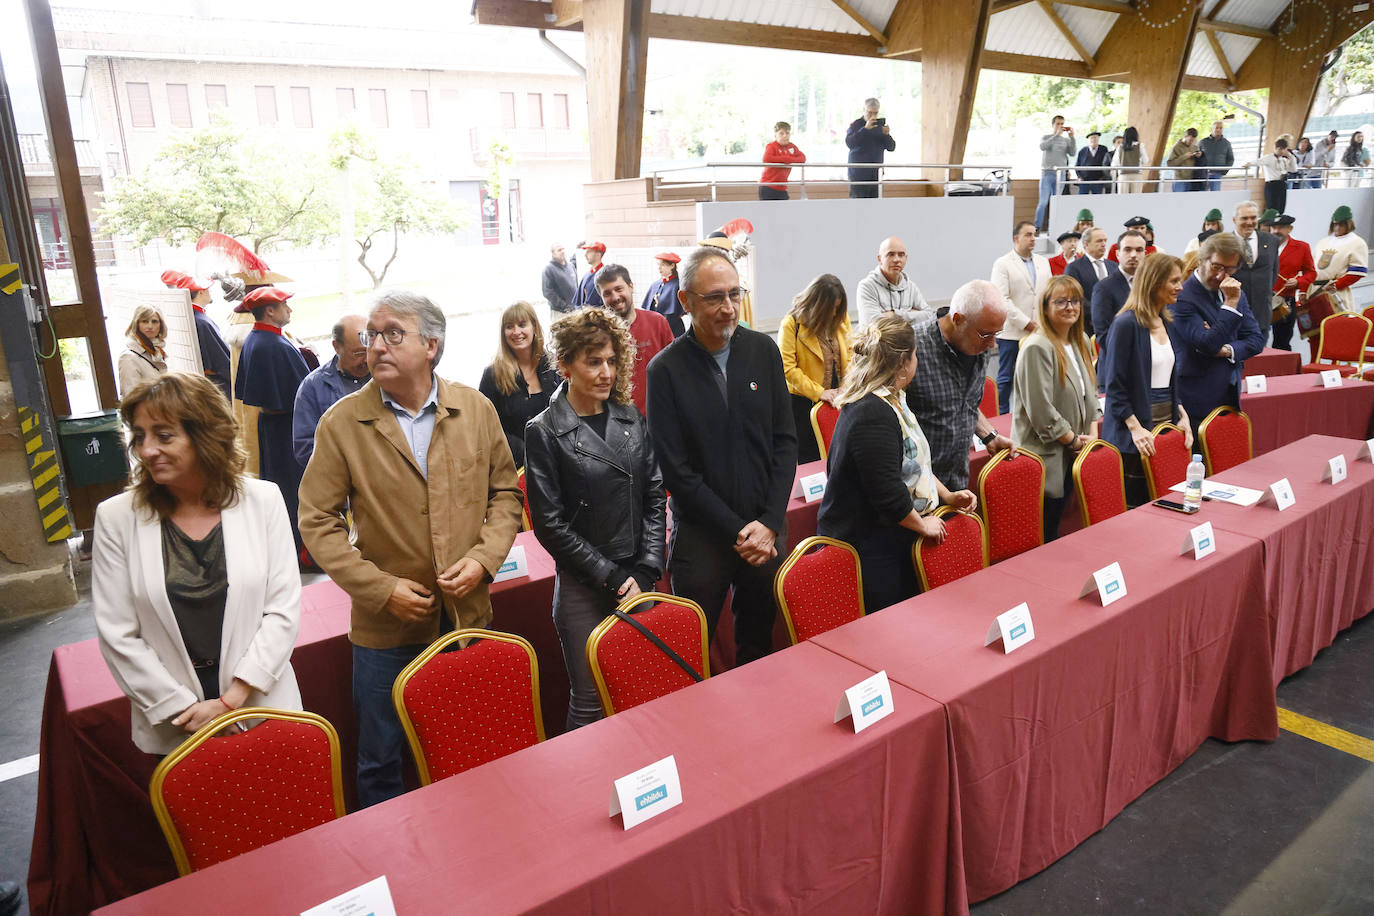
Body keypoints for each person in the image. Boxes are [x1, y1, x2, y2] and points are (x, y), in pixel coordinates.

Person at [299, 290, 522, 807]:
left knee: (469, 741)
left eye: (392, 334)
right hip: (386, 628)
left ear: (431, 345)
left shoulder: (474, 408)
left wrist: (485, 558)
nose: (375, 345)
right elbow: (317, 519)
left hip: (466, 613)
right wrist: (379, 589)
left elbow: (506, 493)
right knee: (381, 758)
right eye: (371, 335)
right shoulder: (342, 423)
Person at [92, 371, 301, 756]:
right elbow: (118, 633)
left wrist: (230, 701)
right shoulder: (117, 518)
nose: (147, 449)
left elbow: (283, 610)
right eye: (139, 436)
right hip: (176, 726)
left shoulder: (263, 500)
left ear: (205, 435)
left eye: (164, 434)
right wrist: (186, 712)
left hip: (263, 707)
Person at [647, 247, 796, 666]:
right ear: (686, 300)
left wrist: (768, 523)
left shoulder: (762, 352)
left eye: (734, 293)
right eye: (715, 297)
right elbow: (676, 471)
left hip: (765, 526)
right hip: (703, 536)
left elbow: (785, 442)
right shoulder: (665, 371)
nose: (728, 308)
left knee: (758, 646)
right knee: (689, 653)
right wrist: (738, 530)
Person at [524, 309, 666, 731]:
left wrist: (645, 568)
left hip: (638, 576)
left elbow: (655, 495)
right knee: (589, 702)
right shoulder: (544, 430)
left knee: (642, 690)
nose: (606, 372)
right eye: (593, 361)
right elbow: (549, 525)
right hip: (584, 586)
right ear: (565, 366)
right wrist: (612, 575)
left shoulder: (629, 416)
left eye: (611, 360)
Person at [818, 314, 977, 610]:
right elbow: (887, 492)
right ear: (904, 362)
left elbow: (916, 464)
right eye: (916, 354)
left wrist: (947, 496)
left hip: (888, 536)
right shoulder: (872, 412)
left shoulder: (894, 398)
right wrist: (922, 524)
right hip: (868, 546)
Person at [1011, 276, 1101, 541]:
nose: (1070, 307)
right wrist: (1074, 440)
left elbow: (1091, 394)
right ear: (1045, 307)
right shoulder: (1037, 346)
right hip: (1048, 457)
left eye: (1075, 301)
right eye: (1061, 301)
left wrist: (1093, 433)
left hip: (1076, 451)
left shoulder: (1081, 340)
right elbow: (1041, 411)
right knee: (1048, 533)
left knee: (1071, 530)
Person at [1102, 253, 1193, 507]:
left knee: (1165, 501)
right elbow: (1115, 386)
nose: (1180, 287)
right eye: (1174, 281)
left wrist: (1181, 414)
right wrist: (1135, 428)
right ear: (1154, 282)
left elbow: (1166, 378)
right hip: (1134, 432)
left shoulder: (1167, 322)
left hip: (1165, 424)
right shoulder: (1126, 324)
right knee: (1138, 507)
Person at [907, 280, 1012, 491]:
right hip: (916, 492)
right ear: (957, 319)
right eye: (986, 334)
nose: (992, 344)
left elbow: (965, 403)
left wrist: (989, 435)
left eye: (996, 334)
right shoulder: (911, 350)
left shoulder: (977, 346)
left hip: (957, 482)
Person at [234, 286, 310, 562]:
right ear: (270, 310)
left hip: (274, 428)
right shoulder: (271, 345)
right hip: (285, 430)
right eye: (284, 305)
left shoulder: (259, 339)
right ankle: (301, 552)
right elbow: (299, 394)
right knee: (293, 491)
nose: (289, 309)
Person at [1172, 232, 1265, 441]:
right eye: (1216, 267)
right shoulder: (1183, 296)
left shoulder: (1235, 292)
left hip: (1229, 394)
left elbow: (1256, 340)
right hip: (1194, 399)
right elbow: (1207, 343)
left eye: (1230, 269)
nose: (1222, 276)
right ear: (1201, 260)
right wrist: (1230, 305)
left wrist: (1226, 350)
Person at [476, 301, 560, 469]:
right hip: (515, 467)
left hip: (558, 460)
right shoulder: (492, 374)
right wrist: (525, 451)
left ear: (534, 327)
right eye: (509, 327)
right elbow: (484, 425)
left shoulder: (555, 365)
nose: (516, 332)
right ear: (503, 333)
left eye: (522, 325)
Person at [779, 273, 851, 464]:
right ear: (817, 305)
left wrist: (847, 386)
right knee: (810, 461)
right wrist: (819, 392)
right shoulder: (792, 323)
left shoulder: (842, 320)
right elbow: (787, 368)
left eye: (838, 308)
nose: (835, 314)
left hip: (839, 399)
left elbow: (851, 356)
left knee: (839, 456)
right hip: (803, 403)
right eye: (830, 309)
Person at [595, 263, 674, 416]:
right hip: (618, 420)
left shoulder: (657, 323)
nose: (615, 297)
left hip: (659, 414)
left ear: (631, 286)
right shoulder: (597, 335)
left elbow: (675, 369)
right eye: (607, 293)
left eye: (619, 289)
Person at [293, 315, 370, 469]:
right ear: (336, 346)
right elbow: (304, 448)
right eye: (358, 354)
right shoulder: (313, 386)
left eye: (370, 350)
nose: (367, 359)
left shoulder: (386, 376)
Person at [990, 220, 1049, 414]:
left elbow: (1047, 294)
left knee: (1035, 377)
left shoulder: (1043, 262)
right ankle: (1003, 414)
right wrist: (1026, 323)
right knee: (1006, 377)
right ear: (1016, 238)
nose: (1033, 239)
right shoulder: (1003, 263)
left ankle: (1033, 413)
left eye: (1034, 234)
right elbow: (1001, 298)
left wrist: (1041, 323)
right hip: (1012, 332)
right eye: (1028, 235)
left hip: (1039, 331)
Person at [1092, 230, 1148, 377]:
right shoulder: (1104, 288)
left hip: (1148, 369)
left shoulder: (1152, 287)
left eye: (1139, 250)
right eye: (1128, 249)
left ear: (1145, 254)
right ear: (1117, 254)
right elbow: (1104, 336)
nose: (1134, 255)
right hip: (1117, 370)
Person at [173, 275, 233, 404]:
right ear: (201, 292)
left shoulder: (187, 317)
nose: (210, 293)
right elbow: (221, 360)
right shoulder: (202, 321)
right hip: (215, 384)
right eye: (208, 289)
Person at [856, 236, 933, 329]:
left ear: (906, 258)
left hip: (906, 343)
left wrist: (893, 315)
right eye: (891, 254)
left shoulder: (910, 287)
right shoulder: (867, 286)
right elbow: (873, 324)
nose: (897, 260)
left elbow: (929, 315)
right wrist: (911, 314)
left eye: (901, 255)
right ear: (880, 259)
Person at [1231, 200, 1281, 339]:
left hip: (1261, 315)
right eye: (1244, 218)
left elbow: (1273, 272)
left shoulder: (1271, 241)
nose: (1249, 222)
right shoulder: (1224, 242)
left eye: (1253, 218)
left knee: (1260, 359)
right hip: (1233, 314)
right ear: (1234, 220)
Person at [1310, 205, 1369, 315]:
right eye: (1335, 224)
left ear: (1348, 224)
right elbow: (1310, 266)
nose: (1337, 228)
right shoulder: (1323, 242)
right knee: (1315, 328)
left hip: (1336, 293)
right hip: (1314, 291)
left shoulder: (1357, 243)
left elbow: (1356, 273)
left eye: (1341, 224)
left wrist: (1335, 286)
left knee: (1336, 327)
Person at [1270, 214, 1317, 351]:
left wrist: (1298, 281)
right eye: (1273, 227)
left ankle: (1281, 370)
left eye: (1281, 227)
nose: (1276, 231)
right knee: (1256, 339)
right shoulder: (1263, 247)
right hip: (1262, 299)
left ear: (1290, 229)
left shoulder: (1302, 247)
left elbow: (1311, 273)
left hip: (1285, 302)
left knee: (1282, 342)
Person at [1067, 226, 1119, 325]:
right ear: (1086, 244)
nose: (1103, 244)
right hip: (1087, 323)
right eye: (1099, 241)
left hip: (1114, 323)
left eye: (1105, 241)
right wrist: (1101, 312)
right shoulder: (1074, 268)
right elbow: (1075, 296)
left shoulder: (1114, 266)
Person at [846, 98, 895, 199]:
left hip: (875, 173)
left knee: (875, 205)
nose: (873, 116)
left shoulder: (879, 126)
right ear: (864, 110)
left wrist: (886, 135)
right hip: (858, 173)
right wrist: (865, 129)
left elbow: (891, 147)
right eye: (869, 112)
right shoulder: (855, 125)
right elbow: (850, 143)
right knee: (858, 203)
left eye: (875, 113)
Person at [1035, 115, 1076, 230]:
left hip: (1060, 175)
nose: (1060, 126)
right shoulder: (1046, 137)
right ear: (1053, 125)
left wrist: (1072, 138)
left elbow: (1072, 153)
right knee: (1043, 202)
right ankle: (1037, 227)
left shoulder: (1066, 140)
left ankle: (1052, 228)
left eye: (1062, 124)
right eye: (1058, 124)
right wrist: (1055, 135)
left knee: (1056, 203)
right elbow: (1042, 147)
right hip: (1047, 173)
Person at [118, 305, 168, 395]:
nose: (150, 326)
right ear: (136, 324)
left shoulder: (157, 351)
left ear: (161, 325)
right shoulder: (128, 357)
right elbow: (131, 397)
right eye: (145, 321)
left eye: (154, 322)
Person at [642, 252, 686, 337]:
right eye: (658, 265)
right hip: (655, 328)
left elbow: (682, 310)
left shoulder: (678, 285)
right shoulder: (655, 284)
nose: (659, 268)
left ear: (672, 266)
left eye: (663, 265)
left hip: (673, 329)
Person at [759, 120, 806, 200]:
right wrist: (785, 159)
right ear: (775, 135)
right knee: (768, 212)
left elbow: (802, 158)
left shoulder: (791, 147)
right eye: (781, 133)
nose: (785, 136)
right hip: (768, 187)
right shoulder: (771, 146)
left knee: (785, 211)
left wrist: (789, 159)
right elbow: (766, 158)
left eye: (787, 133)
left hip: (782, 188)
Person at [1255, 138, 1297, 215]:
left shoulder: (1284, 159)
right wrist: (1248, 164)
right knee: (1272, 207)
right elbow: (1258, 162)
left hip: (1282, 183)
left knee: (1281, 207)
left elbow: (1294, 169)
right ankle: (1272, 224)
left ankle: (1279, 222)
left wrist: (1291, 156)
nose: (1285, 151)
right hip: (1272, 184)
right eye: (1284, 149)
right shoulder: (1269, 158)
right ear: (1279, 148)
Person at [542, 243, 578, 315]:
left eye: (563, 249)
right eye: (559, 250)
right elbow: (547, 292)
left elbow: (576, 285)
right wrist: (564, 306)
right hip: (559, 312)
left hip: (574, 310)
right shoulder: (549, 269)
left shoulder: (571, 266)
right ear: (553, 254)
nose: (562, 251)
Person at [1200, 121, 1234, 191]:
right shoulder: (1203, 142)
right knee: (1201, 195)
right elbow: (1197, 157)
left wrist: (1224, 171)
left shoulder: (1226, 143)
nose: (1218, 130)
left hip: (1217, 174)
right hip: (1203, 174)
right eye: (1216, 128)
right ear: (1212, 129)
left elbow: (1230, 159)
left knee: (1215, 195)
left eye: (1220, 128)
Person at [571, 241, 606, 308]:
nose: (585, 254)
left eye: (589, 252)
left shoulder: (605, 275)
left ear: (598, 254)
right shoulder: (586, 275)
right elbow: (578, 301)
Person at [1115, 126, 1147, 193]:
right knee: (1135, 199)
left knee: (1123, 200)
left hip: (1123, 175)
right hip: (1136, 175)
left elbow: (1115, 163)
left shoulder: (1120, 147)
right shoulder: (1140, 145)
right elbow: (1145, 160)